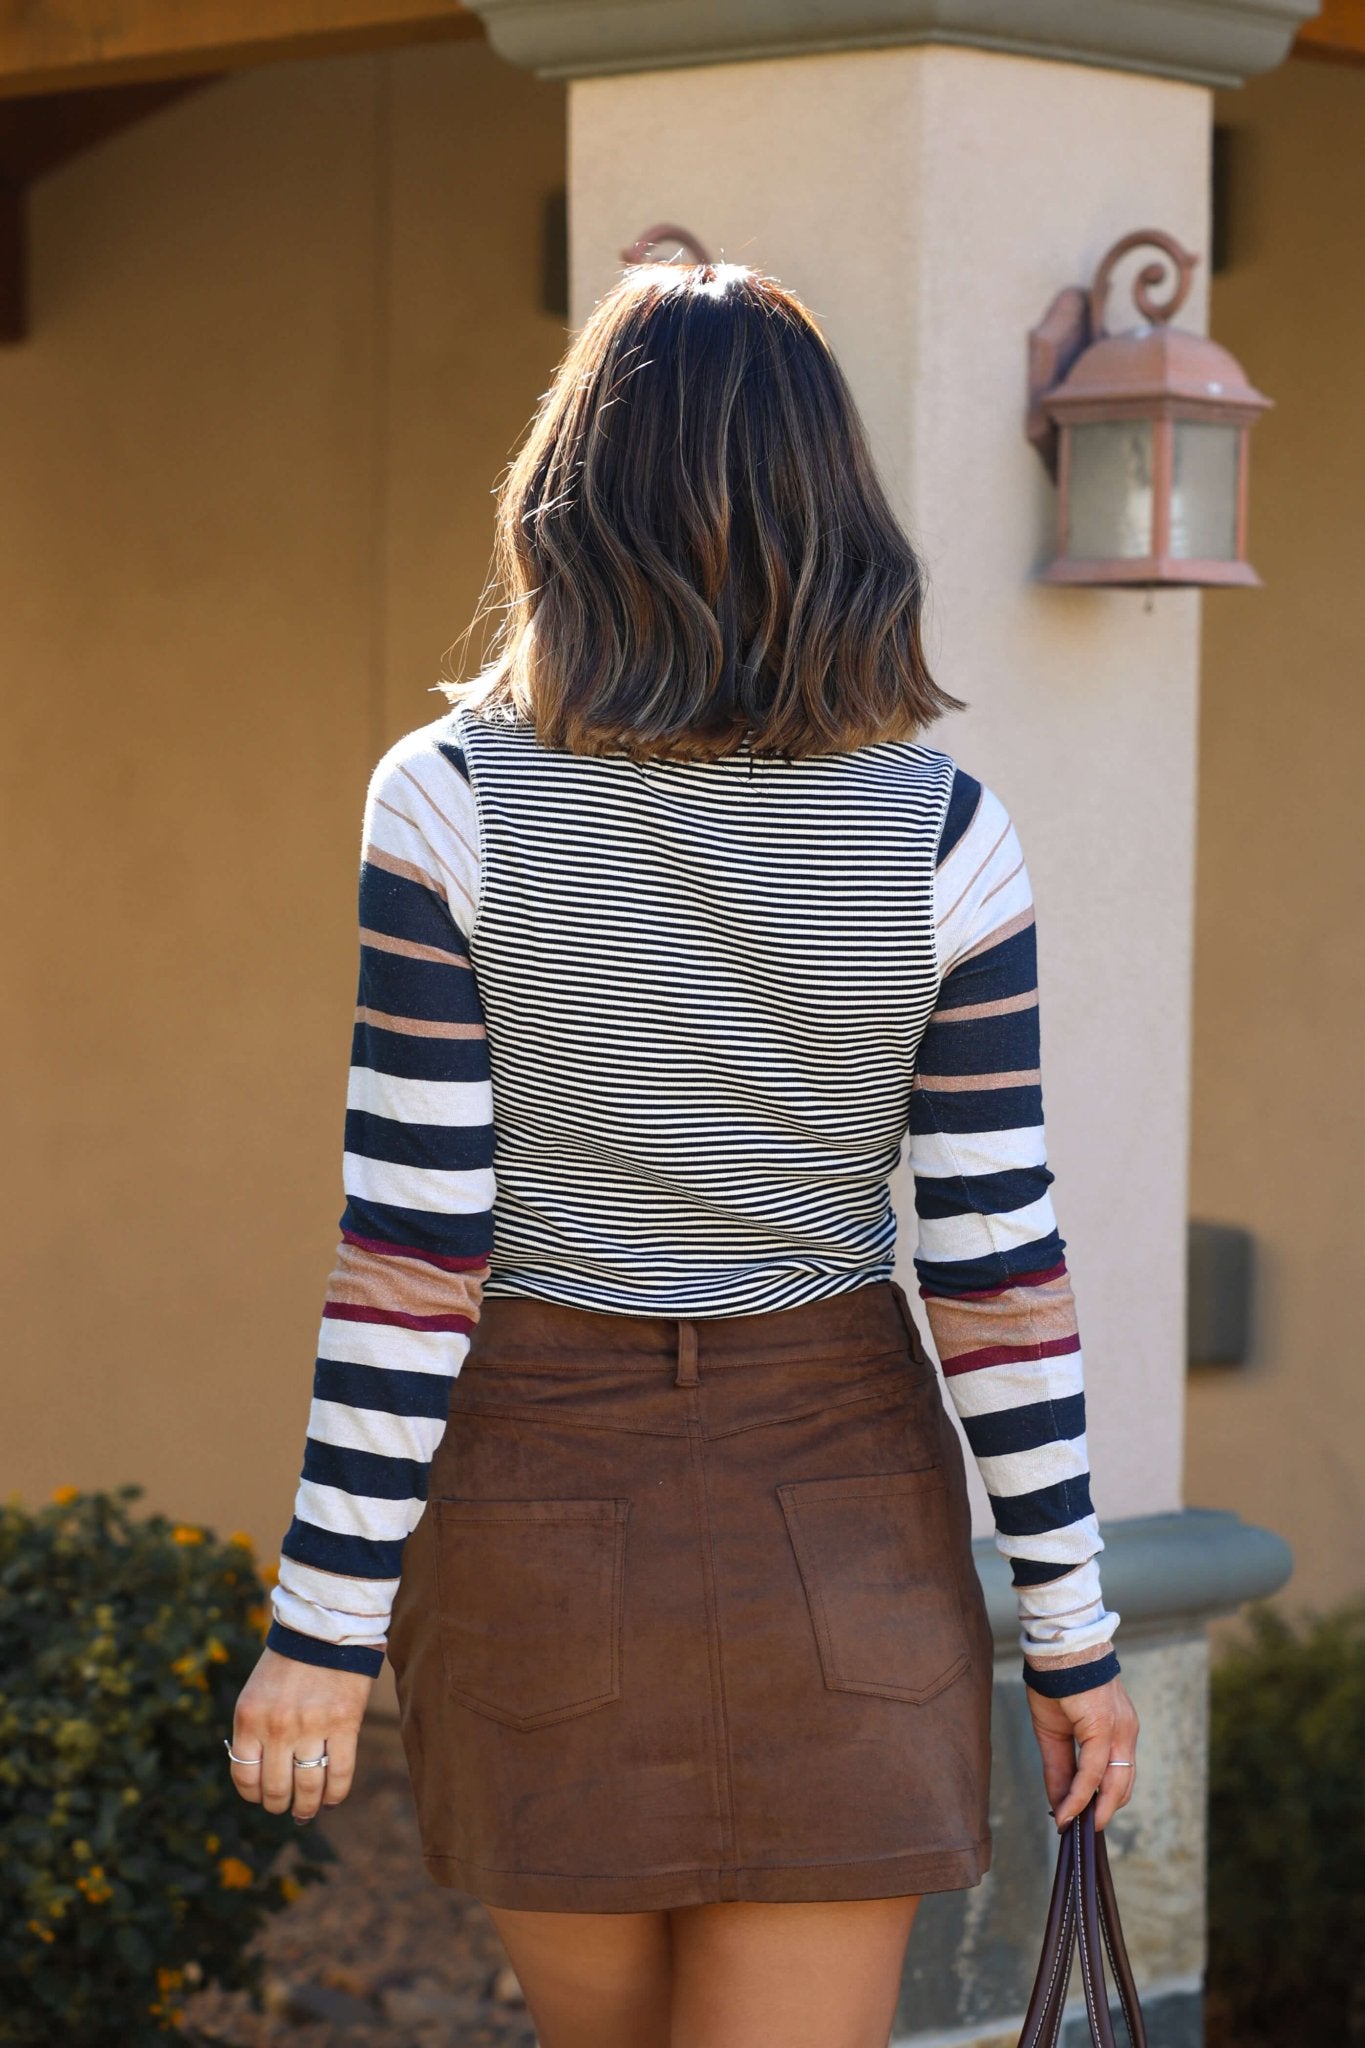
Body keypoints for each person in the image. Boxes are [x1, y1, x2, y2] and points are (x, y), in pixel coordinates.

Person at [227, 261, 1139, 2048]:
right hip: (843, 1516)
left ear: (564, 509)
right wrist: (1073, 1637)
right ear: (839, 511)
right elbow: (994, 1272)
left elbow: (413, 1257)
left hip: (534, 1515)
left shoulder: (448, 798)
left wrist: (320, 1629)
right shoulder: (947, 834)